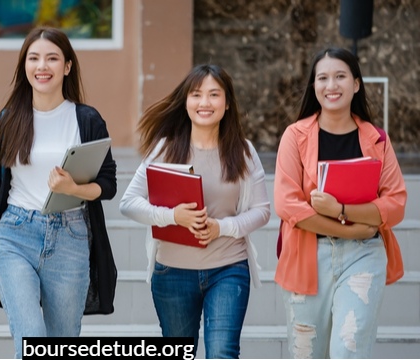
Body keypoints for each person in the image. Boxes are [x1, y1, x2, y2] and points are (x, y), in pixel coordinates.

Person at [0, 27, 117, 358]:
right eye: (34, 58)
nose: (43, 66)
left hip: (70, 236)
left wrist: (74, 188)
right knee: (31, 341)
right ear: (24, 65)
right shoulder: (6, 122)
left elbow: (109, 182)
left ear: (67, 66)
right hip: (15, 235)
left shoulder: (86, 119)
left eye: (52, 58)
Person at [120, 64, 271, 358]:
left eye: (214, 95)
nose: (205, 103)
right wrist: (173, 216)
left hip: (228, 268)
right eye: (196, 94)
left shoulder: (244, 151)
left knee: (222, 353)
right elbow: (129, 203)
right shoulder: (164, 149)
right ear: (186, 102)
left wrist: (221, 227)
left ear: (227, 104)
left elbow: (262, 210)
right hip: (172, 272)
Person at [274, 47, 407, 358]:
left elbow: (396, 202)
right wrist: (353, 228)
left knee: (349, 350)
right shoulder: (294, 137)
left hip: (364, 257)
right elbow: (287, 204)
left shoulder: (377, 139)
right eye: (323, 78)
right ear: (314, 86)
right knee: (308, 353)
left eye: (340, 77)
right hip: (307, 255)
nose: (331, 85)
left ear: (356, 84)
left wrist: (340, 211)